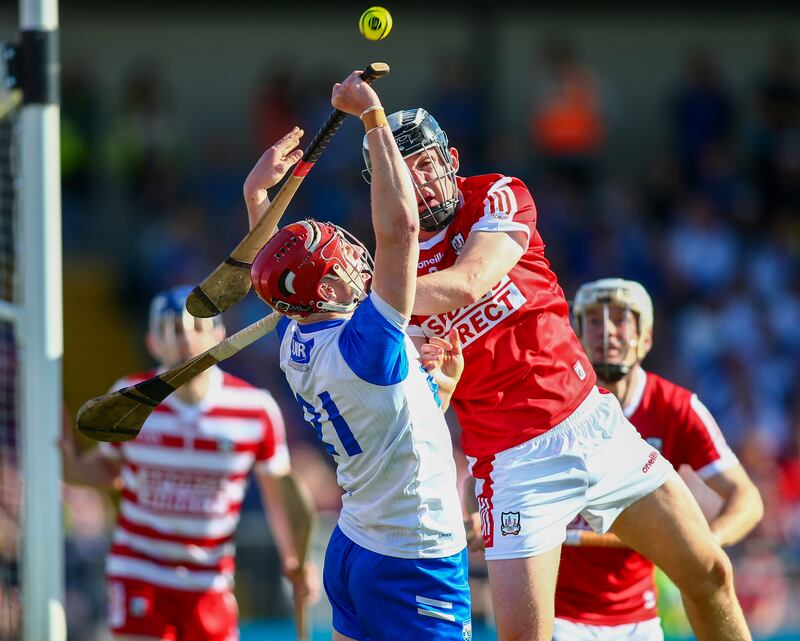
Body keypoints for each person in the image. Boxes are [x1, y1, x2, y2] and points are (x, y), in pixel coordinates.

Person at [360, 107, 754, 640]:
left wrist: (372, 301)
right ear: (386, 195)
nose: (420, 182)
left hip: (593, 424)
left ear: (451, 159)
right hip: (514, 467)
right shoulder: (387, 273)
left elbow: (470, 282)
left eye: (427, 164)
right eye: (403, 176)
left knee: (710, 573)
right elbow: (418, 395)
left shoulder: (496, 196)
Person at [245, 71, 471, 641]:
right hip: (413, 557)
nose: (353, 256)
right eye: (339, 261)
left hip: (354, 544)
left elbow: (273, 275)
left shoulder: (295, 340)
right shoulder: (367, 343)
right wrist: (372, 116)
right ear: (324, 292)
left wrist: (256, 199)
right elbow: (401, 229)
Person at [61, 285, 317, 641]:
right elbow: (108, 469)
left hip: (210, 580)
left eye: (196, 328)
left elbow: (279, 492)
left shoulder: (255, 409)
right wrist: (67, 467)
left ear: (219, 336)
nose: (185, 339)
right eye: (173, 329)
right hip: (140, 571)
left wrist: (295, 560)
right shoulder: (130, 398)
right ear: (153, 343)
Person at [554, 277, 764, 641]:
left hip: (641, 620)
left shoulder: (677, 408)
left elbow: (747, 498)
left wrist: (707, 539)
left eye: (621, 319)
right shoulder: (551, 406)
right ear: (579, 335)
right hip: (558, 616)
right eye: (594, 320)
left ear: (647, 337)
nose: (607, 332)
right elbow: (485, 479)